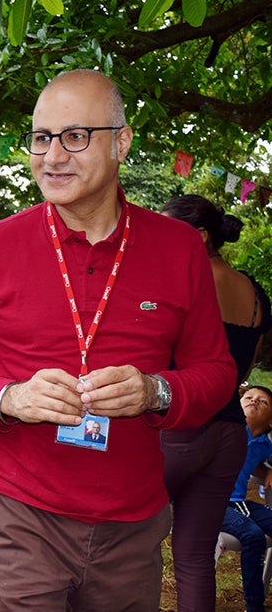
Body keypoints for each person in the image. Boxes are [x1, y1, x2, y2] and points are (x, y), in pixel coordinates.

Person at [0, 69, 238, 610]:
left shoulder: (179, 247)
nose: (53, 156)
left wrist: (155, 393)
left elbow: (217, 372)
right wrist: (9, 397)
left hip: (132, 524)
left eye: (74, 136)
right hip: (18, 509)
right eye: (41, 138)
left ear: (122, 142)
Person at [160, 194, 272, 611]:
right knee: (194, 558)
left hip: (179, 427)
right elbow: (251, 359)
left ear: (199, 235)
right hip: (229, 432)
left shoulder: (186, 279)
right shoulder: (254, 292)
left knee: (123, 538)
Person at [219, 385, 272, 612]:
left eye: (263, 402)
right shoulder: (229, 427)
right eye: (249, 397)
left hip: (240, 503)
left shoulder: (266, 445)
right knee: (253, 535)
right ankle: (254, 605)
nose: (254, 401)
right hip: (213, 503)